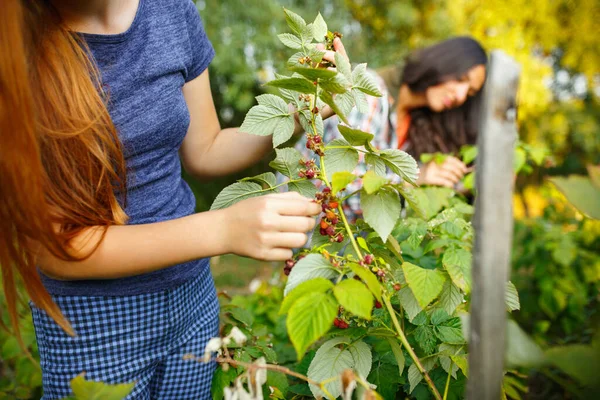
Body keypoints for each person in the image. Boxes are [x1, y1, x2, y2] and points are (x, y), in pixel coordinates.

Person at [0, 1, 346, 398]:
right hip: (93, 322)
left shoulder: (169, 11)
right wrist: (221, 229)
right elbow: (56, 248)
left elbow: (206, 149)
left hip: (191, 299)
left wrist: (297, 113)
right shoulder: (19, 44)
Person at [295, 36, 487, 216]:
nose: (461, 96)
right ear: (445, 62)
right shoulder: (370, 93)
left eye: (469, 93)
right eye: (461, 80)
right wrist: (415, 179)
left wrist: (469, 181)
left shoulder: (420, 127)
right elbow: (345, 191)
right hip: (294, 223)